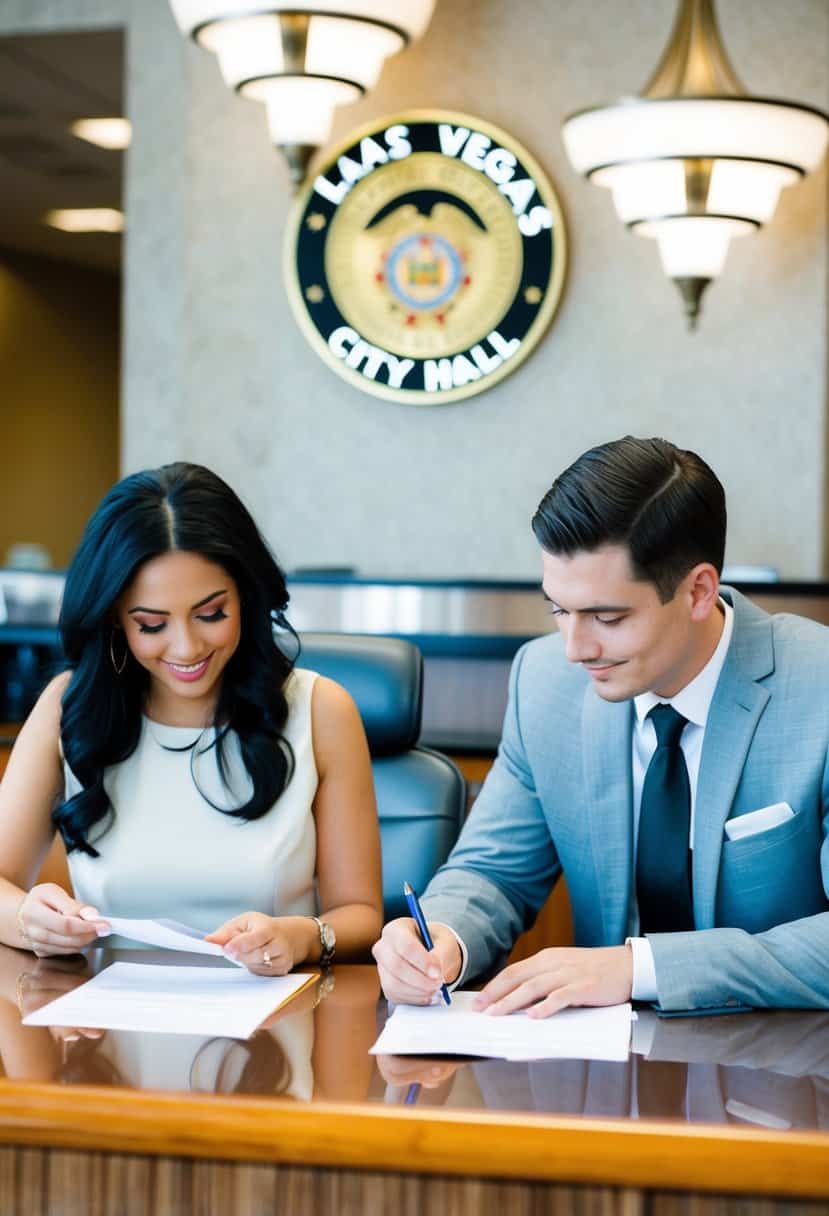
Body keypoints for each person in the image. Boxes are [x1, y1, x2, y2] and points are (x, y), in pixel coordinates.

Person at [373, 436, 829, 1013]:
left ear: (698, 591)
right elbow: (493, 872)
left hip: (783, 1074)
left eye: (607, 617)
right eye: (559, 610)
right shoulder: (543, 681)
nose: (574, 648)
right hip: (605, 1072)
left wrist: (640, 968)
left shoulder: (819, 687)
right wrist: (440, 940)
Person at [0, 463, 382, 972]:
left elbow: (361, 915)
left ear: (245, 597)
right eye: (152, 625)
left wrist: (302, 936)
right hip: (107, 1033)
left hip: (269, 1030)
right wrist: (25, 917)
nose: (187, 648)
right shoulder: (68, 707)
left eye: (211, 615)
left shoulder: (320, 710)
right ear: (115, 616)